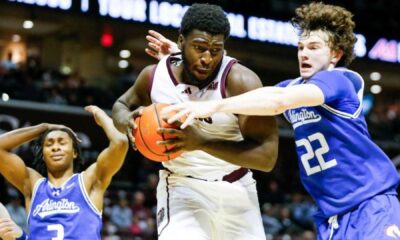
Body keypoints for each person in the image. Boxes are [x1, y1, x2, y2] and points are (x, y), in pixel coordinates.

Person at [160, 2, 400, 240]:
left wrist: (213, 105)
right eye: (301, 47)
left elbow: (278, 100)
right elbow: (261, 97)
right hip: (332, 217)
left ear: (336, 54)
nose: (304, 53)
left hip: (371, 206)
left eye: (314, 47)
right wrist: (189, 57)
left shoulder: (340, 81)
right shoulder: (293, 88)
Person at [112, 3, 278, 240]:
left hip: (237, 188)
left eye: (216, 50)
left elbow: (267, 157)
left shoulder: (241, 81)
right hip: (182, 187)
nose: (207, 59)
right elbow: (120, 106)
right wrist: (127, 121)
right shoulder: (154, 76)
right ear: (181, 42)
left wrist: (202, 142)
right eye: (199, 48)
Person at [0, 105, 128, 239]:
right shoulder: (33, 185)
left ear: (74, 152)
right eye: (49, 144)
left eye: (62, 143)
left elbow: (120, 142)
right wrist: (43, 128)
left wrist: (101, 115)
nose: (55, 147)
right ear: (43, 155)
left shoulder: (88, 180)